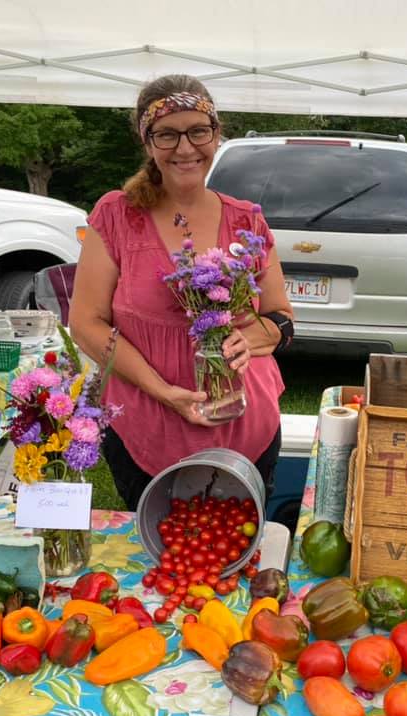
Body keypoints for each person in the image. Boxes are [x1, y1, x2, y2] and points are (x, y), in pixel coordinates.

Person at [71, 74, 294, 511]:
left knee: (237, 554)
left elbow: (281, 317)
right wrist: (162, 391)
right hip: (145, 425)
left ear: (216, 133)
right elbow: (85, 324)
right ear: (147, 142)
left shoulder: (247, 221)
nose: (186, 148)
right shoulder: (117, 215)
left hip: (246, 426)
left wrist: (247, 340)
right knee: (158, 558)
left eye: (198, 131)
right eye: (167, 134)